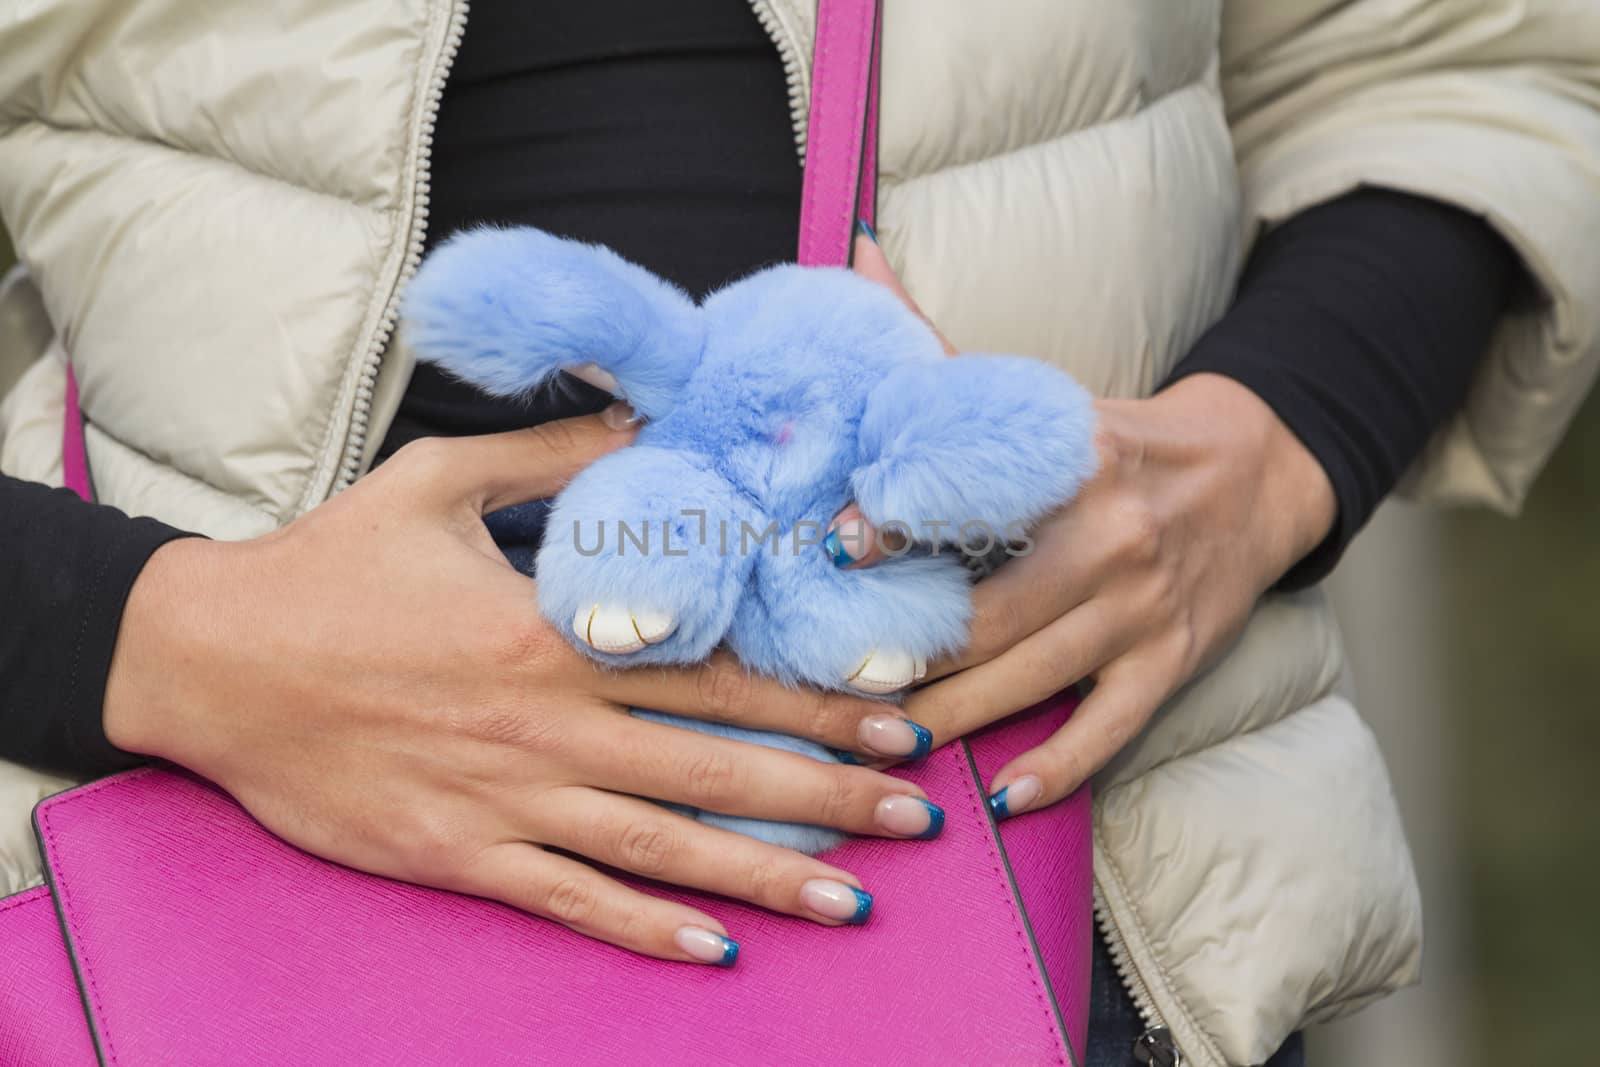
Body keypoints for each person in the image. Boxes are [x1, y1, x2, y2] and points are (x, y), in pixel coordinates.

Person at [1, 3, 1597, 1064]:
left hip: (1078, 889)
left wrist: (1265, 450)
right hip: (193, 880)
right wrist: (142, 635)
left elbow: (1469, 63)